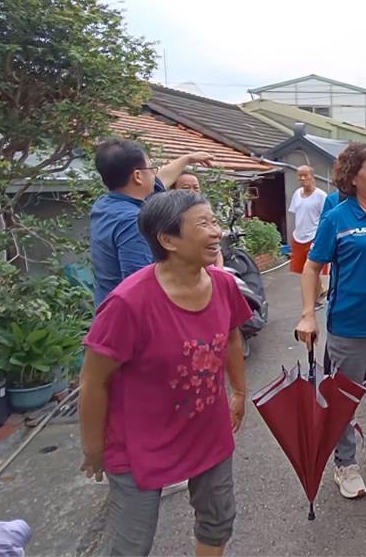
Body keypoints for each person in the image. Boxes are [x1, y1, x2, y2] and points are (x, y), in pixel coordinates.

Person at [80, 190, 251, 556]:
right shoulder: (127, 303)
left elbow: (232, 335)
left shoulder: (222, 284)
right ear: (168, 239)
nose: (215, 232)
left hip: (207, 427)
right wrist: (94, 447)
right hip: (140, 440)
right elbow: (93, 381)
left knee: (218, 519)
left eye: (215, 221)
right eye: (203, 224)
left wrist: (238, 392)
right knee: (132, 545)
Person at [294, 142, 366, 500]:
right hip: (348, 321)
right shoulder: (337, 217)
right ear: (353, 176)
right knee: (345, 397)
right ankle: (345, 464)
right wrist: (308, 314)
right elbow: (312, 267)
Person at [89, 138, 214, 305]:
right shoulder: (132, 222)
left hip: (107, 307)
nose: (155, 175)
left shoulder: (105, 204)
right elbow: (138, 286)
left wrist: (187, 159)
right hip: (129, 320)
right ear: (138, 176)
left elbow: (162, 178)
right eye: (151, 169)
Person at [175, 171, 224, 268]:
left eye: (196, 188)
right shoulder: (169, 216)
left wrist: (219, 271)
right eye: (186, 188)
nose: (192, 192)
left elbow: (216, 249)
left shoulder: (205, 210)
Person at [288, 165, 328, 274]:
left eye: (305, 175)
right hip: (298, 238)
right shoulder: (296, 194)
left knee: (315, 272)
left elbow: (326, 219)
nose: (302, 178)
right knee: (297, 272)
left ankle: (318, 291)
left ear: (312, 177)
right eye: (300, 176)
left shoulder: (321, 196)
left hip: (314, 238)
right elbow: (294, 216)